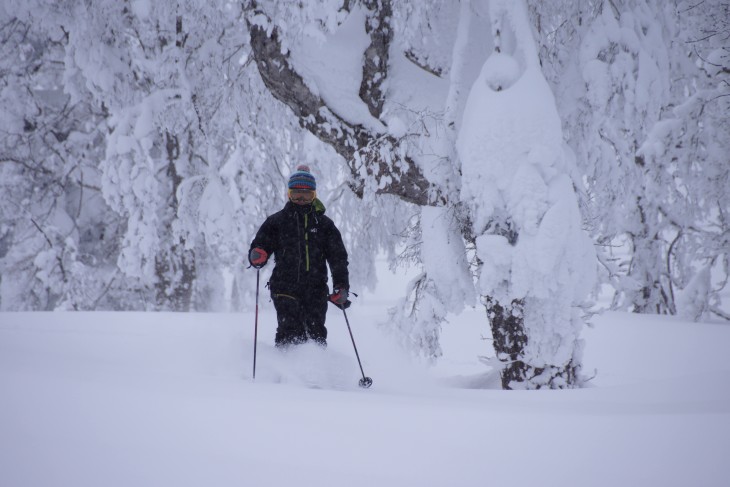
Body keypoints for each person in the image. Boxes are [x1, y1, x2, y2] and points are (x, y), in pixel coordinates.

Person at [248, 165, 350, 348]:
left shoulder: (324, 225)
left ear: (314, 195)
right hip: (284, 286)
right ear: (289, 194)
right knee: (290, 331)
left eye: (306, 195)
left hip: (316, 289)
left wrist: (341, 286)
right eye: (296, 194)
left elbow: (338, 258)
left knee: (316, 333)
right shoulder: (277, 222)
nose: (301, 199)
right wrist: (258, 254)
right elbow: (260, 245)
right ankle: (286, 371)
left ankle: (316, 371)